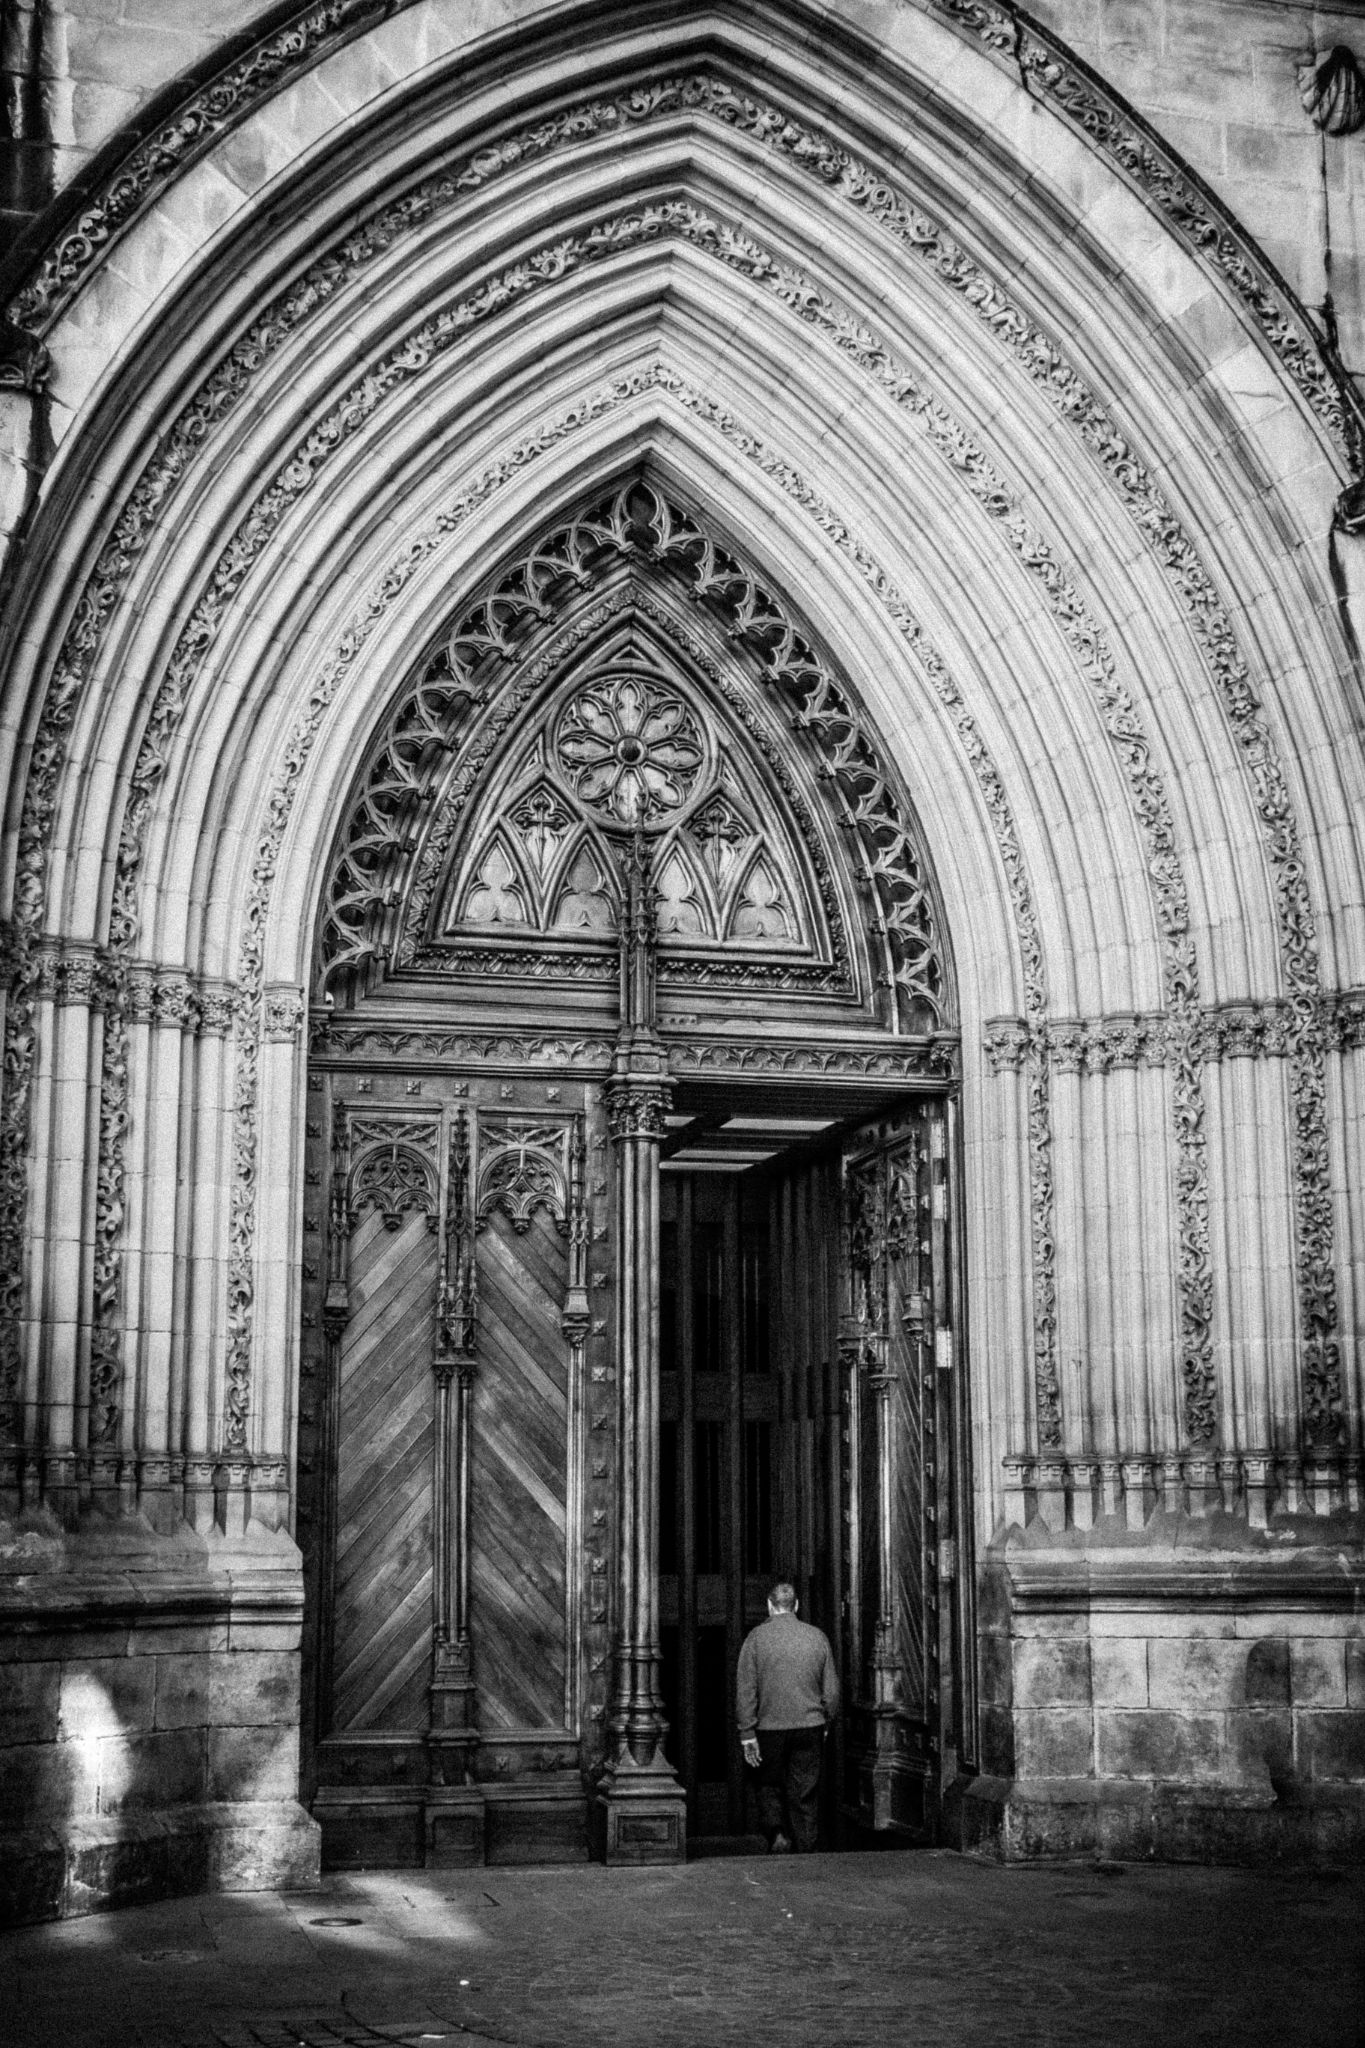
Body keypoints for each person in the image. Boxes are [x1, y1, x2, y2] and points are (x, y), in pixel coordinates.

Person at [736, 1579, 839, 1853]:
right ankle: (806, 1845)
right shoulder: (817, 1637)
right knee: (805, 1790)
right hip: (810, 1725)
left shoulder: (755, 1638)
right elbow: (831, 1690)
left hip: (769, 1728)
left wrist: (747, 1734)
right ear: (796, 1606)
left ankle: (778, 1834)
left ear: (770, 1606)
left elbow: (746, 1689)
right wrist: (826, 1721)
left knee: (768, 1784)